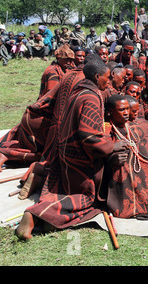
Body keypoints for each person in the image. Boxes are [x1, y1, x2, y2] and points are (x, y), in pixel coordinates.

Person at [15, 60, 129, 240]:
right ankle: (34, 214)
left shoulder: (79, 91)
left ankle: (46, 220)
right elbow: (89, 136)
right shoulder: (91, 98)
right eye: (107, 78)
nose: (108, 81)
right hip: (79, 157)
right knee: (88, 198)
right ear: (97, 77)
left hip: (66, 151)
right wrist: (111, 145)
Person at [103, 94, 148, 219]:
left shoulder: (129, 127)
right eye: (121, 110)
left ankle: (142, 200)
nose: (126, 113)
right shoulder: (105, 130)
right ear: (110, 112)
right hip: (114, 174)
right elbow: (98, 157)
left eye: (127, 109)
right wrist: (112, 160)